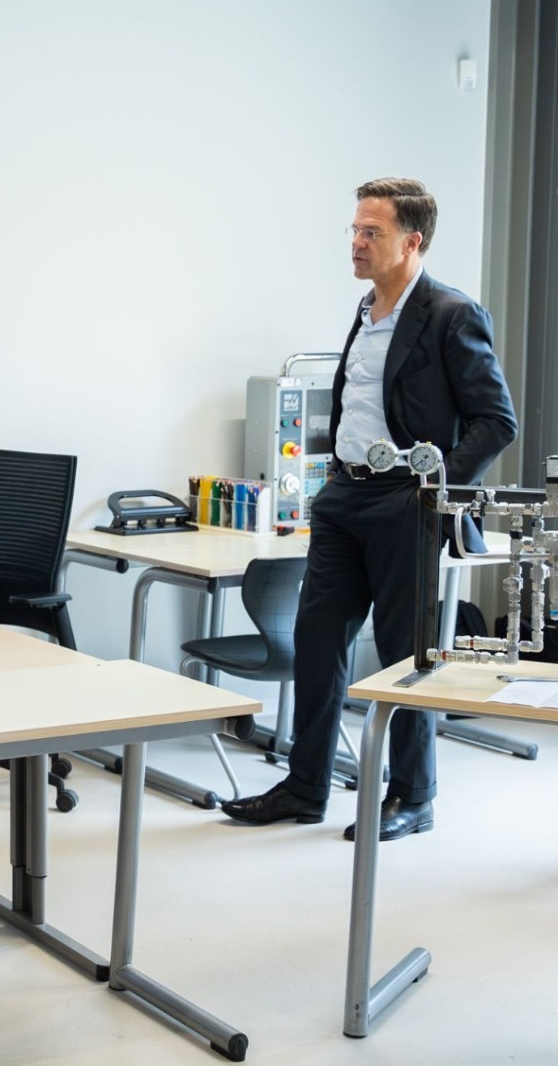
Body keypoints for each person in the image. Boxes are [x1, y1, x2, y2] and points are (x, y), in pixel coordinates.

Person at [221, 178, 518, 841]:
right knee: (316, 642)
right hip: (344, 497)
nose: (356, 243)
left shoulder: (450, 314)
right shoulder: (366, 309)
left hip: (404, 502)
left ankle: (413, 797)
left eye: (372, 233)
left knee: (403, 657)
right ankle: (305, 787)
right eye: (354, 230)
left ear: (411, 242)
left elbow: (496, 421)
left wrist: (437, 489)